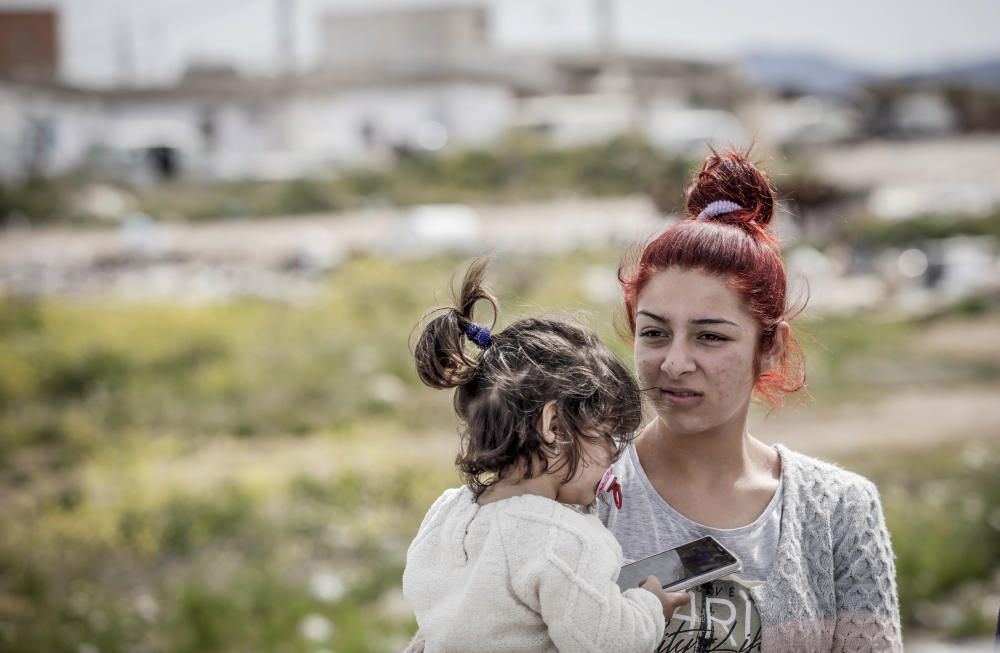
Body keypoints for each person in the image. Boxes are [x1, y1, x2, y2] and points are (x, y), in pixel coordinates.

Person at [603, 149, 903, 652]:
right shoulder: (577, 490)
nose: (674, 362)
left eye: (710, 337)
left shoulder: (838, 511)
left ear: (770, 348)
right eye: (654, 333)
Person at [401, 258, 687, 653]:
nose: (612, 457)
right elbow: (610, 643)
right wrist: (650, 605)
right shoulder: (565, 540)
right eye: (607, 436)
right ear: (553, 427)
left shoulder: (447, 514)